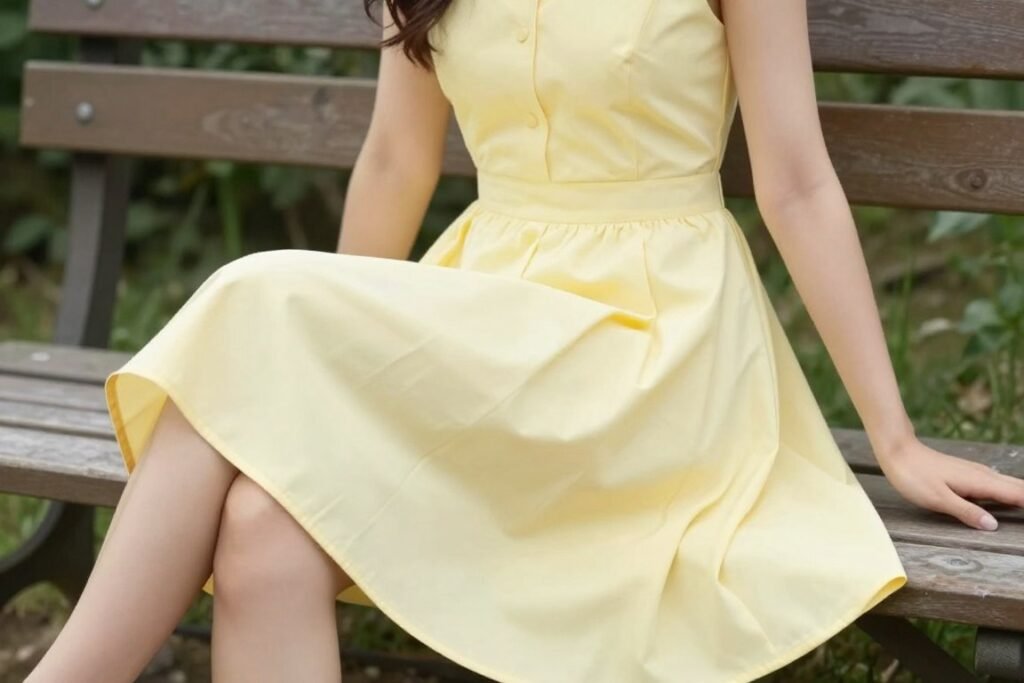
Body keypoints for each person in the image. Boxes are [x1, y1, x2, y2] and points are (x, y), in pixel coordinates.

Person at [26, 0, 1024, 681]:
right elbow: (395, 161)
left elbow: (796, 183)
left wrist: (894, 438)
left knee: (251, 296)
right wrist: (321, 398)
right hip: (484, 326)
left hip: (651, 348)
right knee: (262, 528)